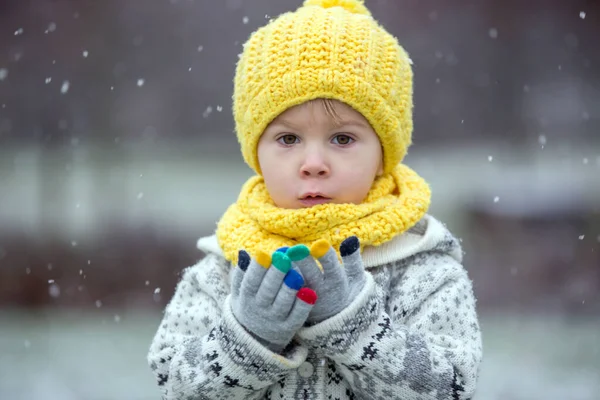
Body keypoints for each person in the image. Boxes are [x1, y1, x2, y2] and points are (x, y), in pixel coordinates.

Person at [147, 0, 483, 398]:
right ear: (256, 152)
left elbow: (452, 388)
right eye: (288, 139)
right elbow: (173, 387)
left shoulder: (423, 271)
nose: (313, 164)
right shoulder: (225, 270)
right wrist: (248, 338)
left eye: (342, 138)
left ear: (383, 155)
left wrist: (354, 325)